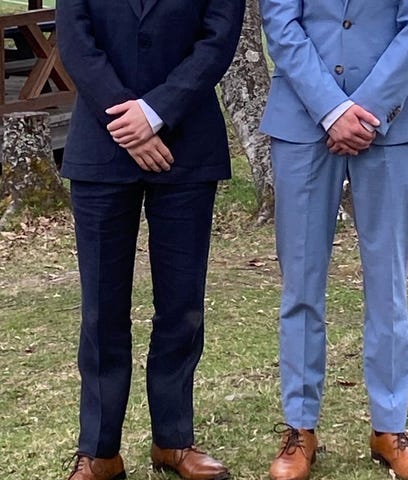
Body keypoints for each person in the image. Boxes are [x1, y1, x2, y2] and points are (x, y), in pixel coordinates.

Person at [56, 1, 244, 479]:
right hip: (101, 146)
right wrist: (129, 123)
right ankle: (100, 451)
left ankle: (174, 440)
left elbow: (218, 38)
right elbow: (75, 40)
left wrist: (157, 112)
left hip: (187, 145)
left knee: (182, 307)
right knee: (101, 310)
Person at [259, 1, 408, 479]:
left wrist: (370, 110)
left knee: (389, 285)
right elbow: (280, 20)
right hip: (301, 121)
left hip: (391, 123)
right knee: (300, 284)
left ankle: (390, 427)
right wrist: (331, 108)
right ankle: (300, 427)